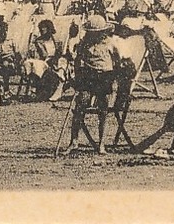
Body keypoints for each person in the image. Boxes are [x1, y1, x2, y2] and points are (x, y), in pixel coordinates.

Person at [66, 15, 121, 153]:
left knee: (103, 110)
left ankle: (102, 143)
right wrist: (77, 78)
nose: (94, 36)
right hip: (88, 77)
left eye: (97, 33)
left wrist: (115, 79)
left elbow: (117, 62)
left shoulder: (110, 43)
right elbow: (78, 61)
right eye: (91, 33)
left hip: (105, 77)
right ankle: (74, 141)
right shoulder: (85, 43)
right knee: (80, 105)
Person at [23, 19, 65, 102]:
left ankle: (58, 88)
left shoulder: (56, 41)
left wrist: (55, 58)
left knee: (62, 63)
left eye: (44, 28)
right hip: (44, 60)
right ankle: (37, 90)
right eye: (41, 28)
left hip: (55, 60)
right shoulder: (38, 41)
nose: (42, 30)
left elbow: (59, 52)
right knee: (38, 65)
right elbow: (37, 55)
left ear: (49, 29)